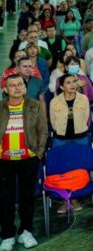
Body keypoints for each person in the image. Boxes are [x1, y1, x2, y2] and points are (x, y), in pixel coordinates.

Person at [0, 74, 48, 250]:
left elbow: (43, 131)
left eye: (20, 84)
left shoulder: (34, 106)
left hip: (28, 159)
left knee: (27, 197)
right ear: (5, 89)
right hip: (4, 161)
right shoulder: (0, 107)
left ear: (25, 87)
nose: (17, 88)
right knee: (6, 199)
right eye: (12, 85)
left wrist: (39, 153)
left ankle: (26, 231)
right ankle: (7, 234)